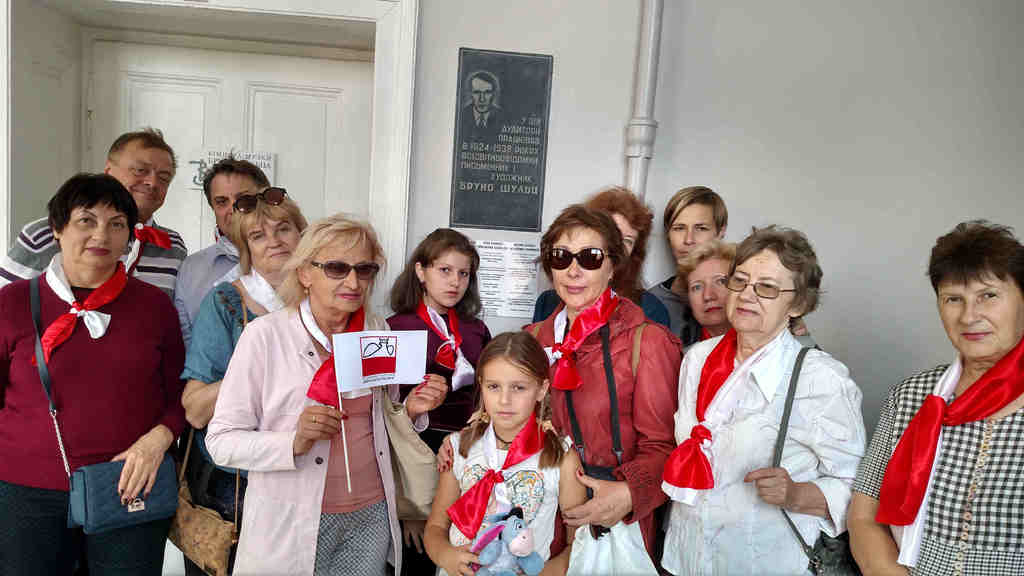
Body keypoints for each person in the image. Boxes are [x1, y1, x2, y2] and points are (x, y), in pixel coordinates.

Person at [205, 214, 448, 576]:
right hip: (292, 519)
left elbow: (381, 418)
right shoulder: (265, 336)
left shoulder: (375, 329)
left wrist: (411, 410)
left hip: (370, 515)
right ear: (305, 273)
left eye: (364, 269)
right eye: (336, 268)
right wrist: (293, 441)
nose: (353, 282)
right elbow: (221, 442)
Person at [0, 173, 186, 575]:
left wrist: (157, 441)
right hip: (25, 493)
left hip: (128, 485)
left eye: (116, 224)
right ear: (57, 229)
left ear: (128, 236)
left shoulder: (155, 307)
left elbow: (179, 396)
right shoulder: (12, 303)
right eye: (86, 220)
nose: (101, 234)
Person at [661, 225, 865, 575]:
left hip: (766, 563)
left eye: (767, 288)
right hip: (686, 558)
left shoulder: (820, 379)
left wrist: (796, 494)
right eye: (739, 281)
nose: (746, 295)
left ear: (798, 304)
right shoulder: (696, 359)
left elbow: (858, 490)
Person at [848, 221, 1024, 575]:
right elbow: (863, 515)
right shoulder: (910, 396)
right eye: (953, 299)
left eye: (988, 295)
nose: (969, 316)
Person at [526, 204, 682, 561]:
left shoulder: (648, 342)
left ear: (613, 266)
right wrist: (467, 441)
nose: (574, 270)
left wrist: (629, 493)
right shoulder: (532, 340)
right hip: (539, 517)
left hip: (611, 520)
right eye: (561, 257)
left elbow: (665, 446)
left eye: (590, 258)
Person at [179, 189, 307, 576]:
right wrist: (256, 364)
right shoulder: (225, 303)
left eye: (283, 229)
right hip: (234, 488)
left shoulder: (325, 301)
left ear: (303, 235)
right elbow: (195, 410)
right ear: (246, 249)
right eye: (258, 235)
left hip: (305, 479)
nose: (274, 241)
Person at [424, 331, 588, 576]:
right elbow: (436, 526)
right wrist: (446, 555)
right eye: (493, 387)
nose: (504, 400)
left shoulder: (561, 458)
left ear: (541, 389)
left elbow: (578, 543)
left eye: (518, 388)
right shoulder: (459, 448)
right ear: (481, 386)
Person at [387, 228, 492, 574]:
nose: (455, 282)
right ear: (421, 271)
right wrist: (408, 507)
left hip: (466, 449)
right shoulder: (395, 328)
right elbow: (383, 416)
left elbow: (487, 396)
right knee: (417, 558)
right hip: (416, 449)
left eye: (464, 273)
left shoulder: (476, 330)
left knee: (463, 550)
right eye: (444, 270)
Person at [0, 128, 187, 299]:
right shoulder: (46, 234)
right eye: (140, 170)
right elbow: (7, 309)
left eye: (164, 177)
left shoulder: (172, 245)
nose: (152, 182)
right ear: (108, 172)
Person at [533, 187, 671, 328]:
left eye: (627, 241)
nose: (616, 246)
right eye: (609, 235)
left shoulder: (650, 309)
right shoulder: (547, 303)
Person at [174, 157, 271, 346]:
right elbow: (186, 344)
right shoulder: (192, 269)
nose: (233, 208)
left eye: (244, 199)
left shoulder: (296, 259)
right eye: (221, 202)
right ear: (213, 209)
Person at [650, 186, 728, 346]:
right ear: (668, 234)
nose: (689, 240)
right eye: (679, 228)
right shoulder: (649, 304)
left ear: (720, 232)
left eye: (701, 228)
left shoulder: (741, 296)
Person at [676, 240, 736, 344]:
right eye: (697, 287)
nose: (708, 296)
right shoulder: (680, 351)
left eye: (721, 281)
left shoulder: (765, 347)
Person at [459, 70, 505, 143]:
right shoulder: (461, 115)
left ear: (493, 94)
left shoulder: (503, 117)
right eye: (477, 92)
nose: (482, 99)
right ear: (470, 94)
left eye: (487, 92)